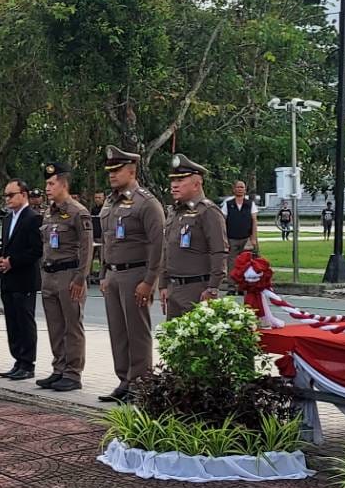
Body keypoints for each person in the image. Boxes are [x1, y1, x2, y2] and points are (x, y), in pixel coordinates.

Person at [97, 145, 165, 402]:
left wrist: (149, 281)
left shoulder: (146, 203)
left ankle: (140, 383)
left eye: (117, 170)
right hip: (113, 274)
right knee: (118, 332)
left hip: (136, 274)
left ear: (132, 171)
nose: (112, 175)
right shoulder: (110, 202)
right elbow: (107, 240)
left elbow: (158, 245)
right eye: (110, 171)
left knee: (137, 332)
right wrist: (103, 274)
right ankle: (124, 380)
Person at [38, 164, 92, 393]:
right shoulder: (49, 212)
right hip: (50, 274)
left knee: (72, 325)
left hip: (69, 275)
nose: (47, 188)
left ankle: (73, 373)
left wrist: (80, 277)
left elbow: (87, 248)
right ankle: (59, 368)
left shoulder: (78, 212)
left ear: (64, 185)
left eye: (52, 183)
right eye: (46, 184)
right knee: (55, 326)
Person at [160, 154, 229, 318]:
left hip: (197, 288)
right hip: (173, 287)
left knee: (195, 334)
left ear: (197, 184)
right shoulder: (175, 211)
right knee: (173, 334)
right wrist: (163, 283)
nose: (174, 185)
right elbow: (167, 249)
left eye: (180, 180)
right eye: (173, 180)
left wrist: (213, 288)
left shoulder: (208, 211)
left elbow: (219, 251)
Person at [0, 178, 43, 381]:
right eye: (6, 195)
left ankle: (28, 363)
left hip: (24, 278)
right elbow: (6, 246)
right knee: (12, 321)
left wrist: (12, 261)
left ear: (24, 195)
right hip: (8, 279)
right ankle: (17, 360)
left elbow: (36, 250)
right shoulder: (7, 219)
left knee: (24, 321)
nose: (8, 199)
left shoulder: (33, 218)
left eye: (11, 195)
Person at [221, 180, 257, 266]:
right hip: (231, 239)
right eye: (238, 187)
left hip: (246, 239)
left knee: (247, 263)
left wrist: (253, 238)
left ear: (245, 190)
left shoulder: (250, 204)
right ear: (234, 189)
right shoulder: (228, 204)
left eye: (242, 187)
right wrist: (224, 239)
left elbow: (254, 221)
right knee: (231, 263)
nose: (240, 189)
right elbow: (222, 221)